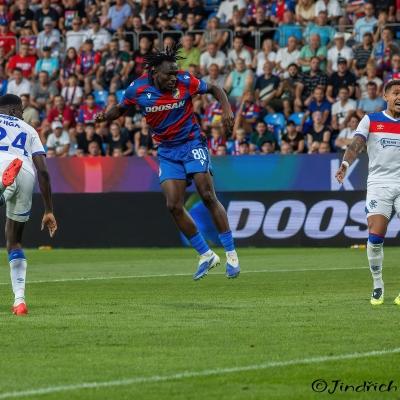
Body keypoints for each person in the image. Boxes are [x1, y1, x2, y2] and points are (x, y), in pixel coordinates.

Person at [95, 44, 240, 280]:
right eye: (169, 74)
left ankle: (232, 255)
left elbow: (215, 88)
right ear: (155, 73)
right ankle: (206, 255)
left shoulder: (185, 80)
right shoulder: (137, 89)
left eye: (175, 73)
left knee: (206, 194)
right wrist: (105, 116)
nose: (174, 78)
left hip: (192, 143)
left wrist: (227, 110)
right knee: (173, 205)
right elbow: (121, 109)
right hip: (167, 151)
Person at [335, 79, 400, 306]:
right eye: (396, 93)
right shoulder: (371, 120)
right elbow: (356, 144)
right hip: (379, 183)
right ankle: (378, 285)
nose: (399, 97)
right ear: (386, 96)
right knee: (375, 236)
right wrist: (345, 164)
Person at [0, 94, 57, 315]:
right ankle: (19, 301)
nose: (22, 115)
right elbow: (43, 171)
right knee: (14, 242)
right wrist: (49, 210)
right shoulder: (29, 130)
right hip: (25, 170)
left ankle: (2, 189)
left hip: (2, 162)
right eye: (21, 111)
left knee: (5, 186)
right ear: (13, 110)